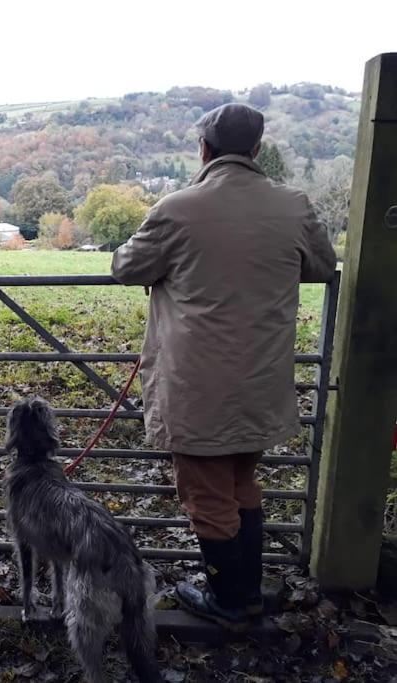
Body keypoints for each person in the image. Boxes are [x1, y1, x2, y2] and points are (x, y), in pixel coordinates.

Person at [111, 103, 337, 630]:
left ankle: (231, 604)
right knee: (241, 486)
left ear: (204, 149)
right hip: (261, 380)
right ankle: (248, 594)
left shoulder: (177, 207)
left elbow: (126, 266)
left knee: (209, 499)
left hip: (196, 387)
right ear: (257, 149)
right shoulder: (293, 206)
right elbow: (323, 265)